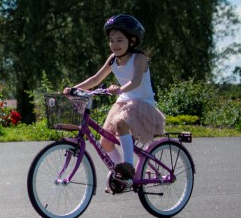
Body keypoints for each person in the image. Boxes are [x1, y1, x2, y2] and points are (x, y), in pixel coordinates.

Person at [64, 14, 166, 188]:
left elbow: (136, 81)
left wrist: (119, 89)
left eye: (120, 40)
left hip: (142, 103)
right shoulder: (112, 59)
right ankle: (121, 174)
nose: (115, 45)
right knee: (106, 141)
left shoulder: (139, 58)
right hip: (124, 102)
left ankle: (129, 167)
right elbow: (96, 79)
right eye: (111, 41)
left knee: (120, 123)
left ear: (132, 41)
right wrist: (74, 89)